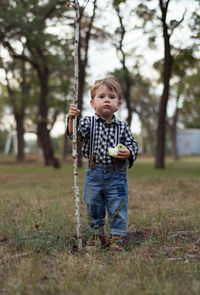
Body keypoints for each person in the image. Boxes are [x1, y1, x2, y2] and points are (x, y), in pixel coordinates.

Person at [67, 76, 138, 251]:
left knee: (117, 206)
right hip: (94, 173)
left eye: (112, 97)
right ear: (92, 103)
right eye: (101, 96)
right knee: (94, 206)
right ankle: (96, 236)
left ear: (118, 104)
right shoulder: (87, 123)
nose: (107, 99)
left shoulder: (122, 127)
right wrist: (71, 119)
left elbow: (133, 145)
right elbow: (74, 136)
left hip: (117, 175)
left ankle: (117, 239)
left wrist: (128, 152)